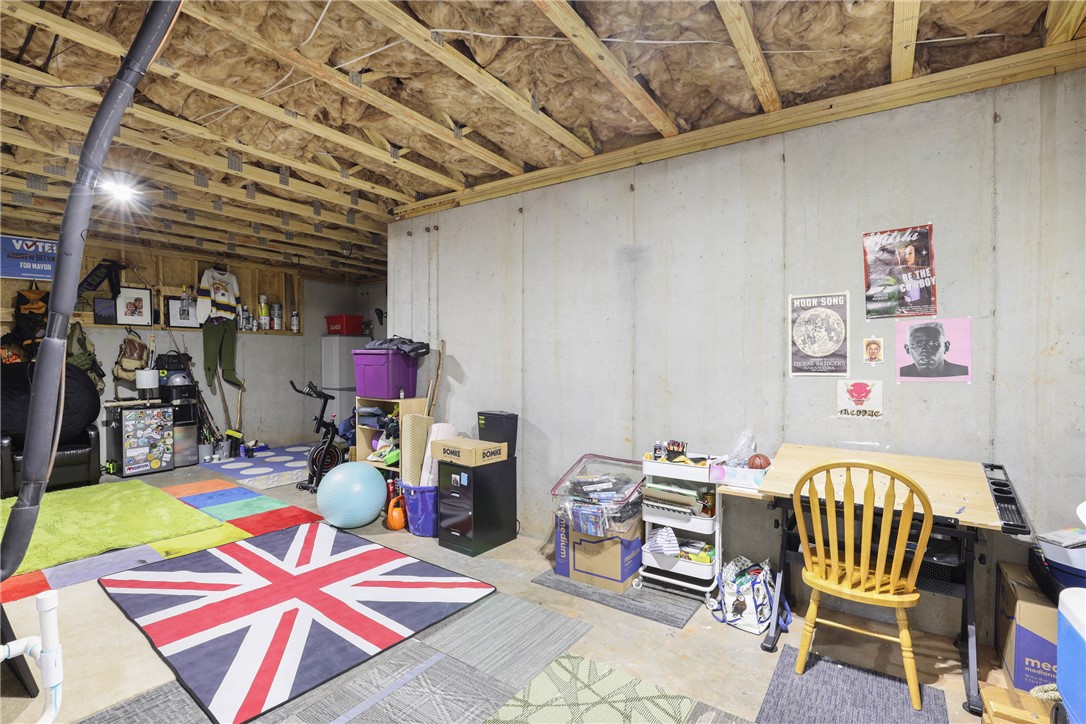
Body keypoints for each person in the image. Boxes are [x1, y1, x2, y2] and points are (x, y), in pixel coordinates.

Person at [900, 322, 968, 377]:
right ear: (907, 350)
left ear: (946, 347)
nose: (925, 350)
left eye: (933, 343)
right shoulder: (901, 373)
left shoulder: (963, 372)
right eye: (918, 344)